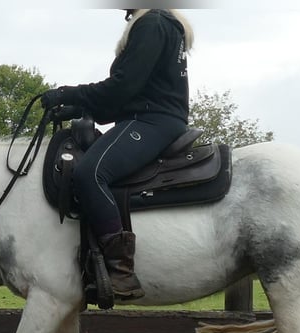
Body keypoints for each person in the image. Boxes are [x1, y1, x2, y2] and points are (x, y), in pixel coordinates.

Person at [40, 8, 194, 300]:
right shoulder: (160, 23)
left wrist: (68, 94)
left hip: (151, 121)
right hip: (149, 117)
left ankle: (120, 271)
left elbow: (123, 86)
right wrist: (82, 109)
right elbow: (126, 95)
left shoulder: (153, 22)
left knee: (90, 173)